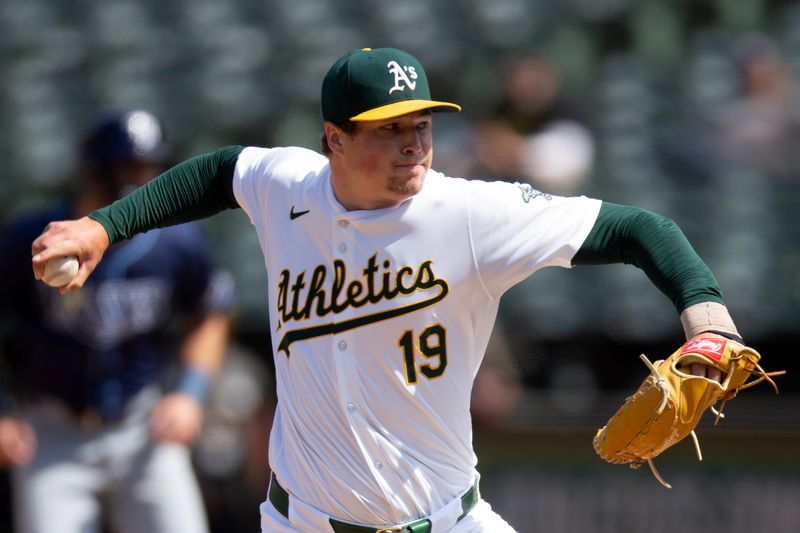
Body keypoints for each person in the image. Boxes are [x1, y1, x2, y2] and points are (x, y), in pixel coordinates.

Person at [30, 48, 745, 533]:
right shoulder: (288, 185)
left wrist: (709, 320)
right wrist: (103, 227)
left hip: (446, 518)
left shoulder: (468, 213)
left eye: (422, 125)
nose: (414, 144)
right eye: (389, 128)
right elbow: (219, 171)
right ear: (333, 140)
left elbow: (641, 228)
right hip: (300, 521)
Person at [0, 109, 234, 533]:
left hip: (141, 429)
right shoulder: (33, 237)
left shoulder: (178, 241)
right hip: (53, 432)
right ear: (95, 171)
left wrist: (189, 393)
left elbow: (211, 311)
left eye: (149, 167)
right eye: (128, 166)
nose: (141, 179)